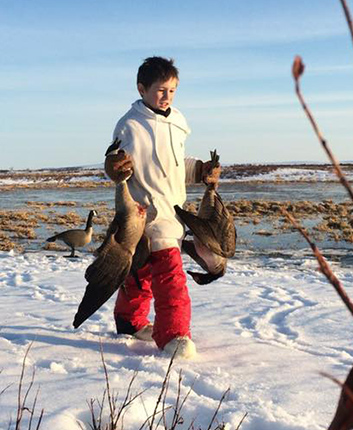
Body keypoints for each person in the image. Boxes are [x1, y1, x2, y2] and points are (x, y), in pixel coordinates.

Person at [104, 56, 220, 359]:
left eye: (172, 90)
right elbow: (117, 163)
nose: (167, 96)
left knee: (139, 272)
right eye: (160, 90)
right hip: (145, 212)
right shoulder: (129, 125)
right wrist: (115, 166)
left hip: (172, 210)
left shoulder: (177, 121)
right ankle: (174, 334)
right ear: (142, 89)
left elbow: (176, 164)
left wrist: (201, 170)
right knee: (170, 276)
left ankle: (129, 322)